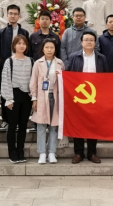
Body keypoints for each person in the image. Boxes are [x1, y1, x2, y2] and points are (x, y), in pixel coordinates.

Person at [67, 31, 107, 164]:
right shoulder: (73, 57)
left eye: (91, 40)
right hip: (79, 96)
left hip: (95, 96)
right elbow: (68, 75)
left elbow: (106, 77)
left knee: (93, 124)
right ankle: (78, 153)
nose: (89, 42)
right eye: (86, 40)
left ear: (95, 42)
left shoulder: (101, 58)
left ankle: (92, 153)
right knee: (78, 124)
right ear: (81, 42)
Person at [0, 4, 30, 132]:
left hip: (21, 66)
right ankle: (6, 121)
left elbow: (28, 50)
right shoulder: (1, 32)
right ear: (7, 15)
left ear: (19, 16)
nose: (13, 16)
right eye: (10, 13)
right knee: (5, 93)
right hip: (6, 66)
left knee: (21, 95)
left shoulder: (24, 33)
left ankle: (19, 121)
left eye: (15, 14)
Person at [30, 39, 65, 164]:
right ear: (43, 49)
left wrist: (60, 75)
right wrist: (34, 98)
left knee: (54, 126)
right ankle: (42, 153)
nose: (49, 50)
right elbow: (33, 81)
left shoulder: (60, 63)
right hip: (41, 97)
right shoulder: (38, 63)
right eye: (47, 47)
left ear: (55, 49)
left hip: (55, 97)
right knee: (41, 126)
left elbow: (64, 81)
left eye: (52, 47)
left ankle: (51, 152)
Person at [1, 35, 34, 164]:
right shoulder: (9, 61)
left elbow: (33, 79)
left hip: (27, 96)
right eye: (19, 43)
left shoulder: (31, 61)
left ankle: (20, 150)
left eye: (24, 43)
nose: (21, 46)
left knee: (23, 125)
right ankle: (12, 152)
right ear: (14, 45)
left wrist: (33, 96)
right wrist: (8, 99)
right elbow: (5, 80)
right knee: (12, 125)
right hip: (13, 95)